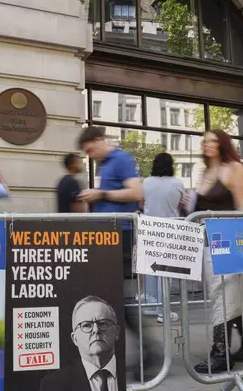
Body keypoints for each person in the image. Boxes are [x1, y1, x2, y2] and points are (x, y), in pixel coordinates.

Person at [183, 130, 243, 374]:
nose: (208, 144)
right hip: (208, 243)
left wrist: (241, 248)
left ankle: (220, 353)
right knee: (232, 294)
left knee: (222, 294)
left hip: (229, 241)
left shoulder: (234, 169)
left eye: (213, 140)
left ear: (223, 144)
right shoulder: (206, 172)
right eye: (205, 141)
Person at [75, 126, 152, 381]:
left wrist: (101, 194)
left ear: (99, 140)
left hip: (120, 235)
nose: (91, 155)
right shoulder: (107, 164)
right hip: (108, 236)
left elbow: (136, 193)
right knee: (114, 297)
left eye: (90, 150)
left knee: (116, 299)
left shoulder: (120, 159)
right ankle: (145, 355)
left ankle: (147, 354)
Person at [40, 296, 122, 391]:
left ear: (117, 332)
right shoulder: (53, 385)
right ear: (75, 339)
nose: (96, 330)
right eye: (86, 325)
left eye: (103, 323)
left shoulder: (131, 371)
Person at [142, 153, 183, 323]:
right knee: (166, 272)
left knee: (151, 270)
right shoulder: (177, 183)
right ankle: (163, 311)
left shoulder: (146, 182)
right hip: (170, 228)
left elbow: (141, 202)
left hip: (149, 228)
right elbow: (181, 204)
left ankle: (151, 306)